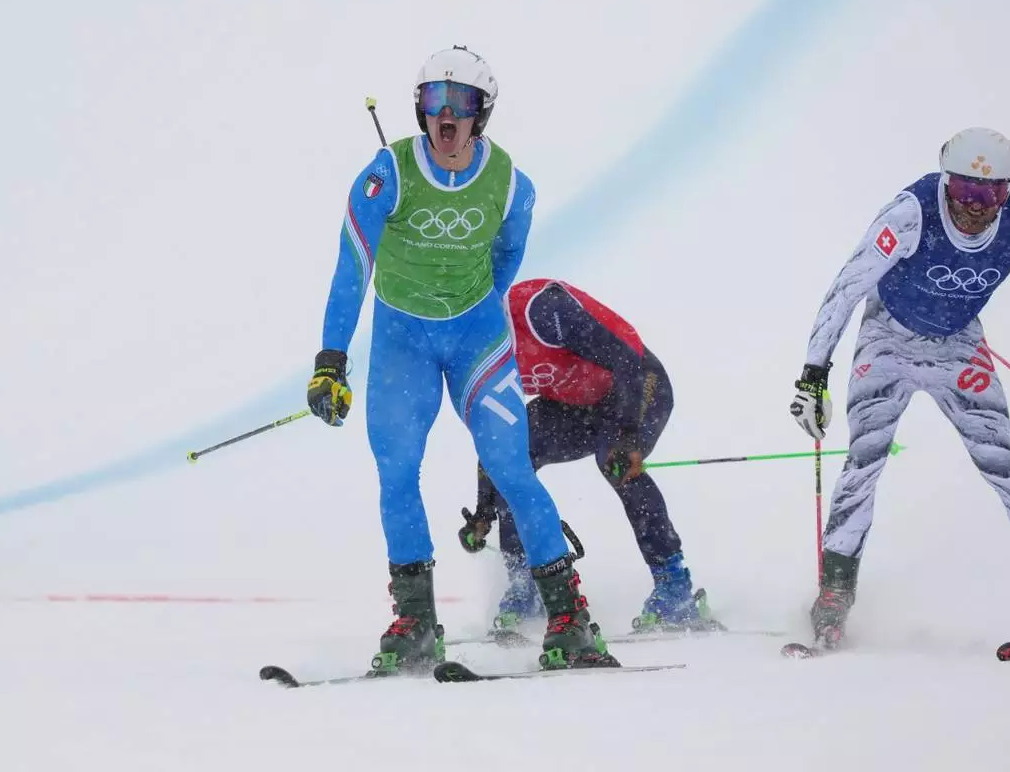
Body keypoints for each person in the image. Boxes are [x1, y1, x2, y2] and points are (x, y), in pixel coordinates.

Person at [307, 46, 617, 673]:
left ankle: (569, 619)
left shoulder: (511, 185)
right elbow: (352, 267)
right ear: (419, 110)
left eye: (462, 105)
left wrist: (473, 311)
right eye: (433, 103)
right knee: (397, 473)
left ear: (483, 115)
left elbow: (506, 262)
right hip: (402, 342)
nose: (446, 117)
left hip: (477, 342)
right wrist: (330, 359)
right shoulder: (385, 174)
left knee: (511, 468)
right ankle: (417, 621)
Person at [788, 127, 1010, 650]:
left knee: (1004, 467)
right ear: (944, 180)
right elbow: (847, 288)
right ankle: (834, 597)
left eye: (992, 194)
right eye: (964, 191)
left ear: (1009, 190)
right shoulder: (909, 215)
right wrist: (812, 375)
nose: (977, 206)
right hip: (887, 339)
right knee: (863, 463)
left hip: (958, 347)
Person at [457, 278, 721, 634]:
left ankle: (675, 587)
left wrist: (629, 435)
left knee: (614, 462)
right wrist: (484, 510)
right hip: (577, 404)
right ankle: (527, 584)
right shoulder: (476, 353)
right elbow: (494, 434)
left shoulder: (540, 310)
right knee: (510, 457)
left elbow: (625, 359)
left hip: (638, 385)